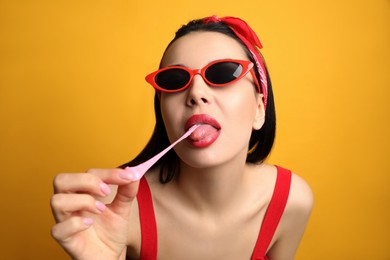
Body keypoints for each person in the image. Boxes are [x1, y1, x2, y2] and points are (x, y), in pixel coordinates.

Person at [51, 15, 314, 260]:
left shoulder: (291, 201)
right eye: (174, 80)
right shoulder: (116, 208)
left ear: (259, 109)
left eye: (222, 73)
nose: (196, 92)